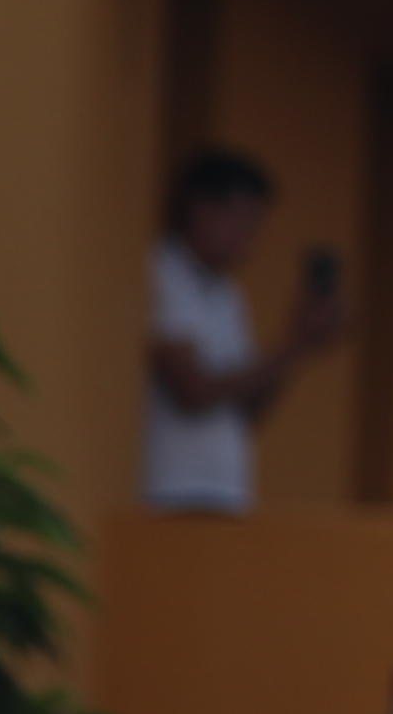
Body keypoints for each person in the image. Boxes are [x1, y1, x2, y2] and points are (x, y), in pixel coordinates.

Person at [146, 147, 340, 514]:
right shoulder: (163, 272)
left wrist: (297, 347)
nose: (252, 237)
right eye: (244, 219)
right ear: (201, 209)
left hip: (224, 491)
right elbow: (193, 391)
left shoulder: (228, 295)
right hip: (170, 490)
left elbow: (247, 408)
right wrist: (292, 344)